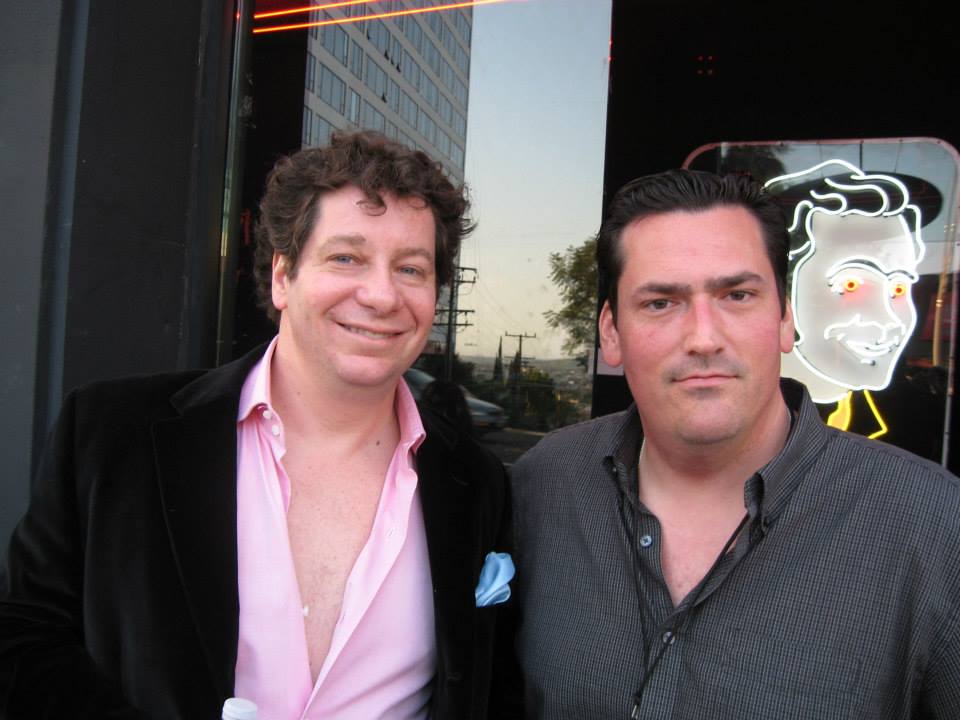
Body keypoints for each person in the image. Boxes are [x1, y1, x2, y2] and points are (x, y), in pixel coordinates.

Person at [0, 131, 512, 719]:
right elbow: (23, 634)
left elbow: (486, 687)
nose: (380, 294)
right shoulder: (112, 434)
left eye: (411, 269)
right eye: (346, 257)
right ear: (282, 276)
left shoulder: (476, 483)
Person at [509, 169, 960, 718]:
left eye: (737, 295)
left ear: (785, 319)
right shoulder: (543, 486)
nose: (703, 337)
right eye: (660, 303)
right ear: (610, 333)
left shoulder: (935, 523)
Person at [766, 159, 926, 437]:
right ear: (781, 295)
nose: (890, 320)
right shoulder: (729, 424)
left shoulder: (911, 418)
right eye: (851, 284)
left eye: (898, 288)